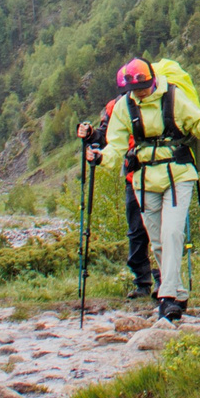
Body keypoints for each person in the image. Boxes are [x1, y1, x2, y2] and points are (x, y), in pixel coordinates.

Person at [89, 57, 200, 321]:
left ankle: (167, 297)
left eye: (144, 88)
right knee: (159, 240)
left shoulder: (173, 97)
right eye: (136, 90)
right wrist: (100, 157)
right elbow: (115, 146)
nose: (140, 93)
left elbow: (196, 124)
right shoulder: (124, 107)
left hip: (178, 174)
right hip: (144, 177)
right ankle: (180, 295)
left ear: (152, 81)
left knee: (172, 232)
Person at [77, 98, 155, 299]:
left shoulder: (156, 99)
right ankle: (143, 283)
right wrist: (92, 134)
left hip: (160, 173)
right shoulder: (116, 106)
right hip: (133, 176)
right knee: (137, 231)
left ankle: (163, 283)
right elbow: (105, 136)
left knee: (159, 230)